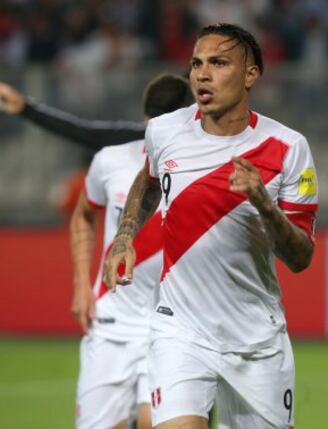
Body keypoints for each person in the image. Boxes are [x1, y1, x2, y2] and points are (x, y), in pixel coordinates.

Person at [104, 23, 318, 429]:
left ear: (250, 74)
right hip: (179, 329)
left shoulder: (288, 148)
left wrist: (262, 202)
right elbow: (148, 180)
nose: (203, 74)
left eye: (219, 63)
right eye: (197, 64)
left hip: (256, 341)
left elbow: (301, 257)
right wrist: (124, 236)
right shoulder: (164, 131)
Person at [70, 73, 193, 429]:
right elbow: (82, 216)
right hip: (112, 325)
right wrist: (81, 283)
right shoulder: (109, 160)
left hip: (170, 330)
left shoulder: (203, 170)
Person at [0, 77, 146, 151]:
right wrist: (26, 109)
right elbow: (86, 133)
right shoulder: (149, 137)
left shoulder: (157, 137)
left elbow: (86, 133)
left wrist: (26, 109)